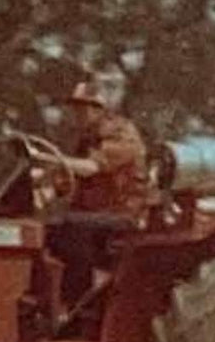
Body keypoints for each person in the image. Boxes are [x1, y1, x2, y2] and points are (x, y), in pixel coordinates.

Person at [26, 80, 149, 309]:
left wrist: (51, 161)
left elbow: (92, 167)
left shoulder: (122, 135)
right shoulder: (88, 140)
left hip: (123, 215)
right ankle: (41, 302)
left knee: (71, 227)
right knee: (42, 232)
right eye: (76, 108)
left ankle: (76, 304)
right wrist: (43, 186)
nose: (78, 114)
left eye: (85, 108)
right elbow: (68, 179)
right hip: (95, 216)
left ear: (101, 109)